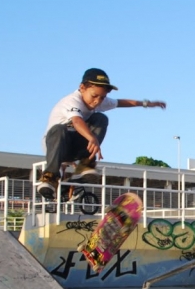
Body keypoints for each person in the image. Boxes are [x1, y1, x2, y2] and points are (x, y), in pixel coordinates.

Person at [36, 68, 166, 200]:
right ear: (82, 88)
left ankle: (84, 165)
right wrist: (92, 138)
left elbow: (120, 103)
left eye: (102, 97)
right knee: (59, 129)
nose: (97, 101)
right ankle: (49, 177)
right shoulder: (71, 101)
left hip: (74, 148)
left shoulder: (99, 101)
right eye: (94, 96)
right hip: (56, 147)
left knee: (101, 118)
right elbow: (76, 120)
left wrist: (146, 103)